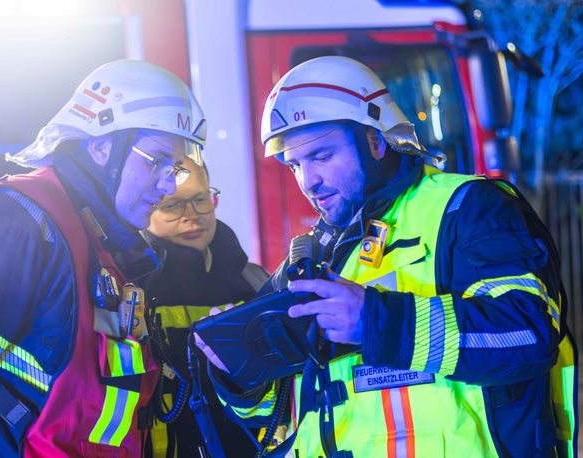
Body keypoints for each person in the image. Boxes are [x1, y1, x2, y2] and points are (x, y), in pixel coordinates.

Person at [198, 56, 577, 457]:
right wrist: (239, 370)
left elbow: (528, 335)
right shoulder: (312, 254)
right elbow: (271, 416)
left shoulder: (469, 208)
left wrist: (373, 321)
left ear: (375, 141)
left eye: (322, 156)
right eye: (295, 165)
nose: (309, 182)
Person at [0, 60, 209, 457]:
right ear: (101, 147)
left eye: (177, 168)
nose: (168, 185)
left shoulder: (102, 244)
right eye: (158, 161)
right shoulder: (15, 220)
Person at [142, 158, 267, 457]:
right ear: (146, 207)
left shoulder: (255, 282)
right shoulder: (129, 289)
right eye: (172, 205)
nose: (192, 216)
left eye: (200, 199)